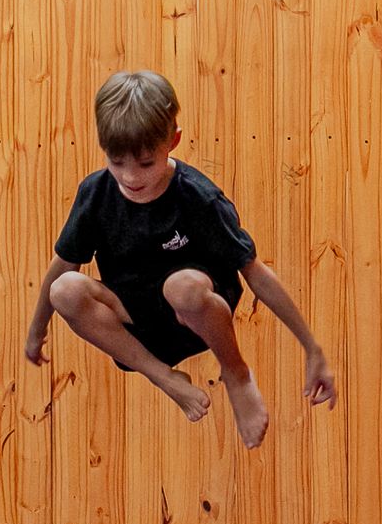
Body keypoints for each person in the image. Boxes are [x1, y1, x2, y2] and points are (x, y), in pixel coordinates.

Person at [23, 70, 337, 449]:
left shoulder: (197, 197)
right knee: (65, 289)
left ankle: (235, 373)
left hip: (198, 313)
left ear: (172, 141)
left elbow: (256, 273)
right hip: (136, 319)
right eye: (117, 162)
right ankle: (163, 377)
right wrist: (36, 330)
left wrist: (312, 348)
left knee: (182, 287)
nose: (130, 177)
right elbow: (63, 264)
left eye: (145, 164)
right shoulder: (96, 194)